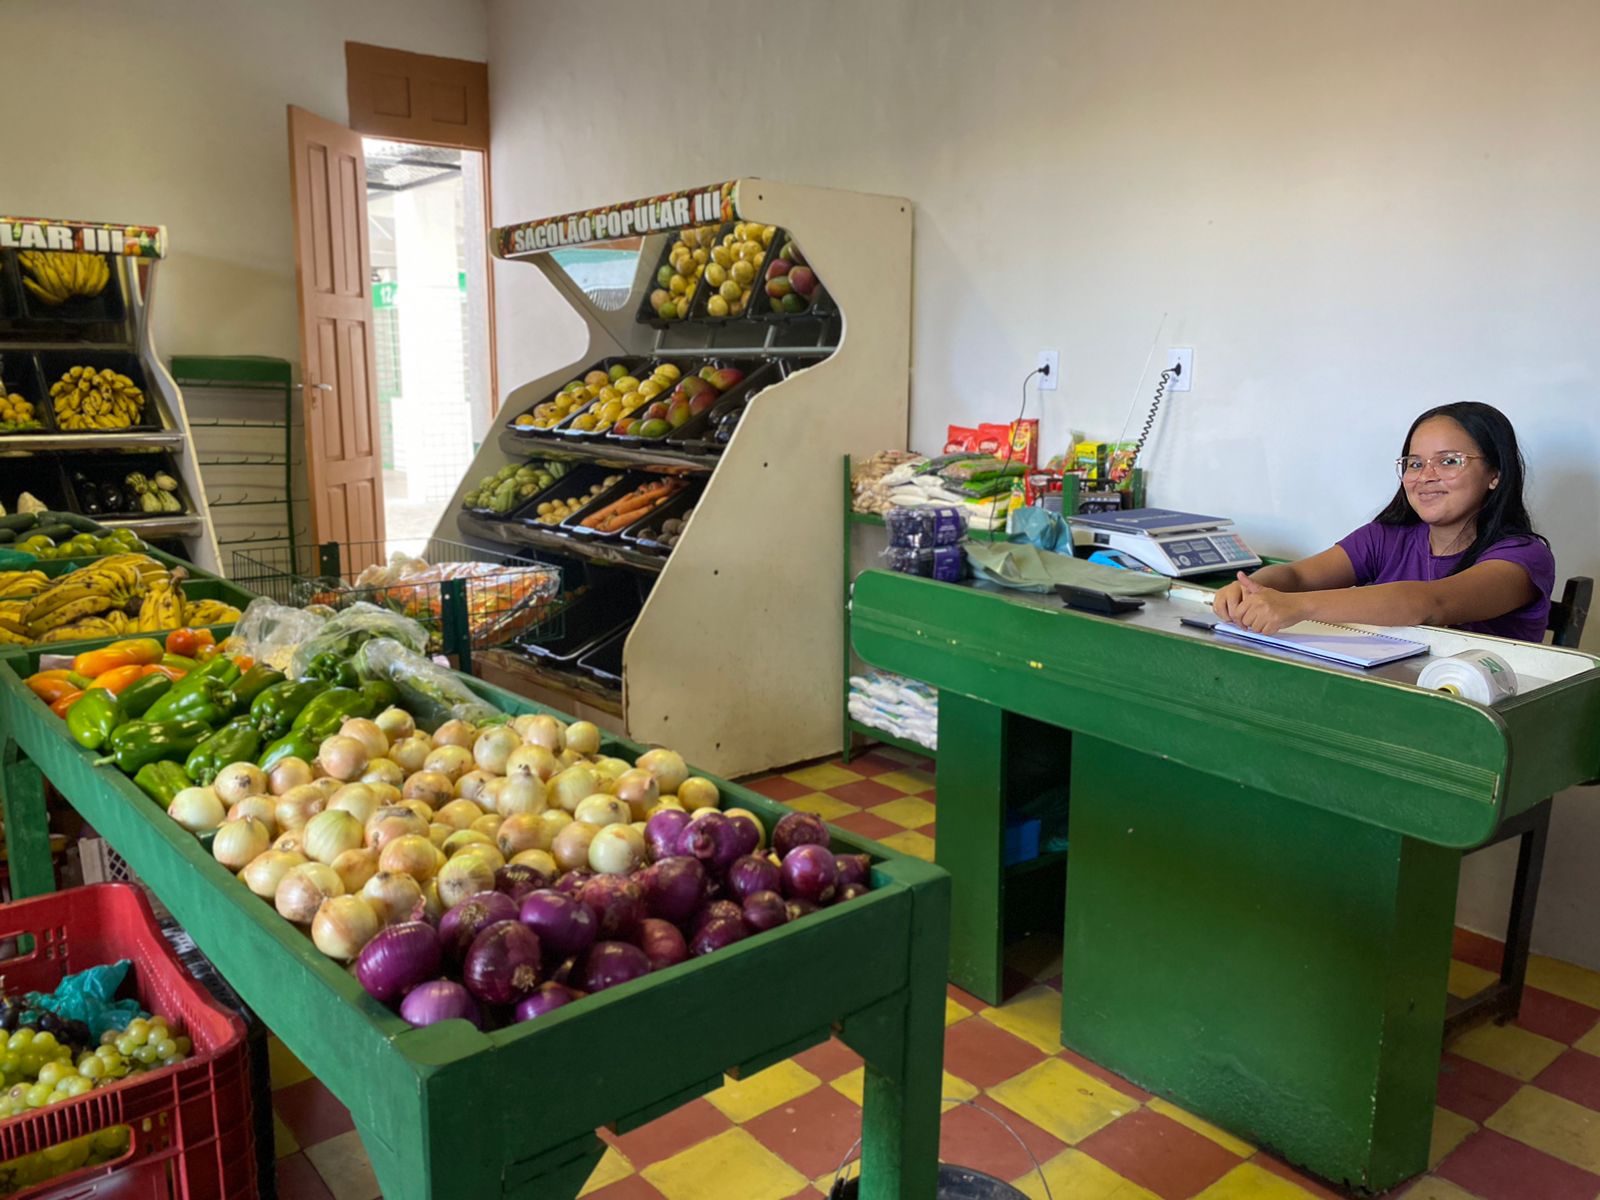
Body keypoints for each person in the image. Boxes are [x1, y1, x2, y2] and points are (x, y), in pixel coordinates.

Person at [1212, 402, 1555, 641]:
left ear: (1495, 473)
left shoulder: (1523, 558)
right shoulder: (1387, 536)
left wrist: (1297, 606)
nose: (1426, 476)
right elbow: (1298, 575)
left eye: (1449, 461)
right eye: (1415, 464)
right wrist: (1251, 588)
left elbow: (1431, 604)